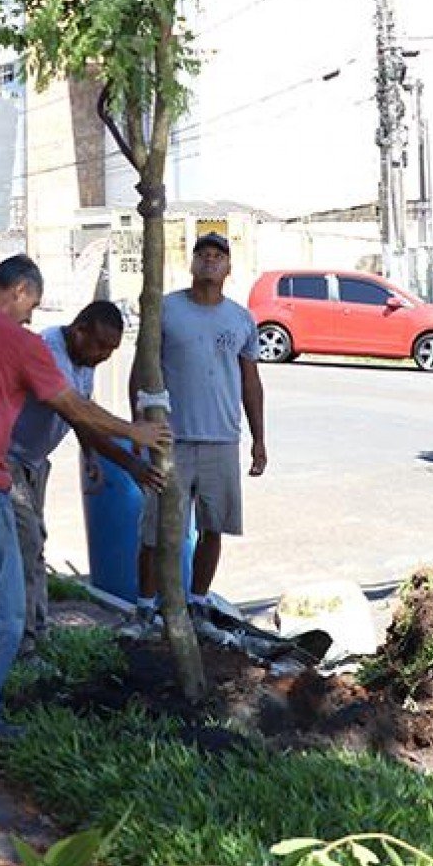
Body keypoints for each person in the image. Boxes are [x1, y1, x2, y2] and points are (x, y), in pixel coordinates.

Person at [0, 254, 170, 744]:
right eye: (31, 305)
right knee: (3, 605)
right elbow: (73, 407)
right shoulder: (22, 344)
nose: (31, 317)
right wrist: (134, 432)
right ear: (18, 290)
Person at [5, 300, 158, 652]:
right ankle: (25, 644)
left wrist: (91, 453)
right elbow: (78, 408)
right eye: (101, 345)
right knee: (28, 545)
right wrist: (133, 437)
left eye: (112, 350)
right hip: (6, 458)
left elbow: (80, 420)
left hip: (35, 462)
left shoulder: (84, 359)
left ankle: (36, 630)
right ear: (79, 330)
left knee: (33, 548)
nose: (104, 355)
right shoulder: (49, 351)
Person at [138, 231, 265, 611]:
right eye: (203, 254)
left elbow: (251, 382)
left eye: (218, 255)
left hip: (222, 439)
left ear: (229, 267)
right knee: (157, 531)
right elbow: (142, 368)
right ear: (191, 263)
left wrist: (259, 440)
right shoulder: (165, 309)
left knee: (213, 528)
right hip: (170, 438)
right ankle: (145, 607)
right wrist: (138, 423)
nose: (210, 260)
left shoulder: (241, 319)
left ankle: (197, 602)